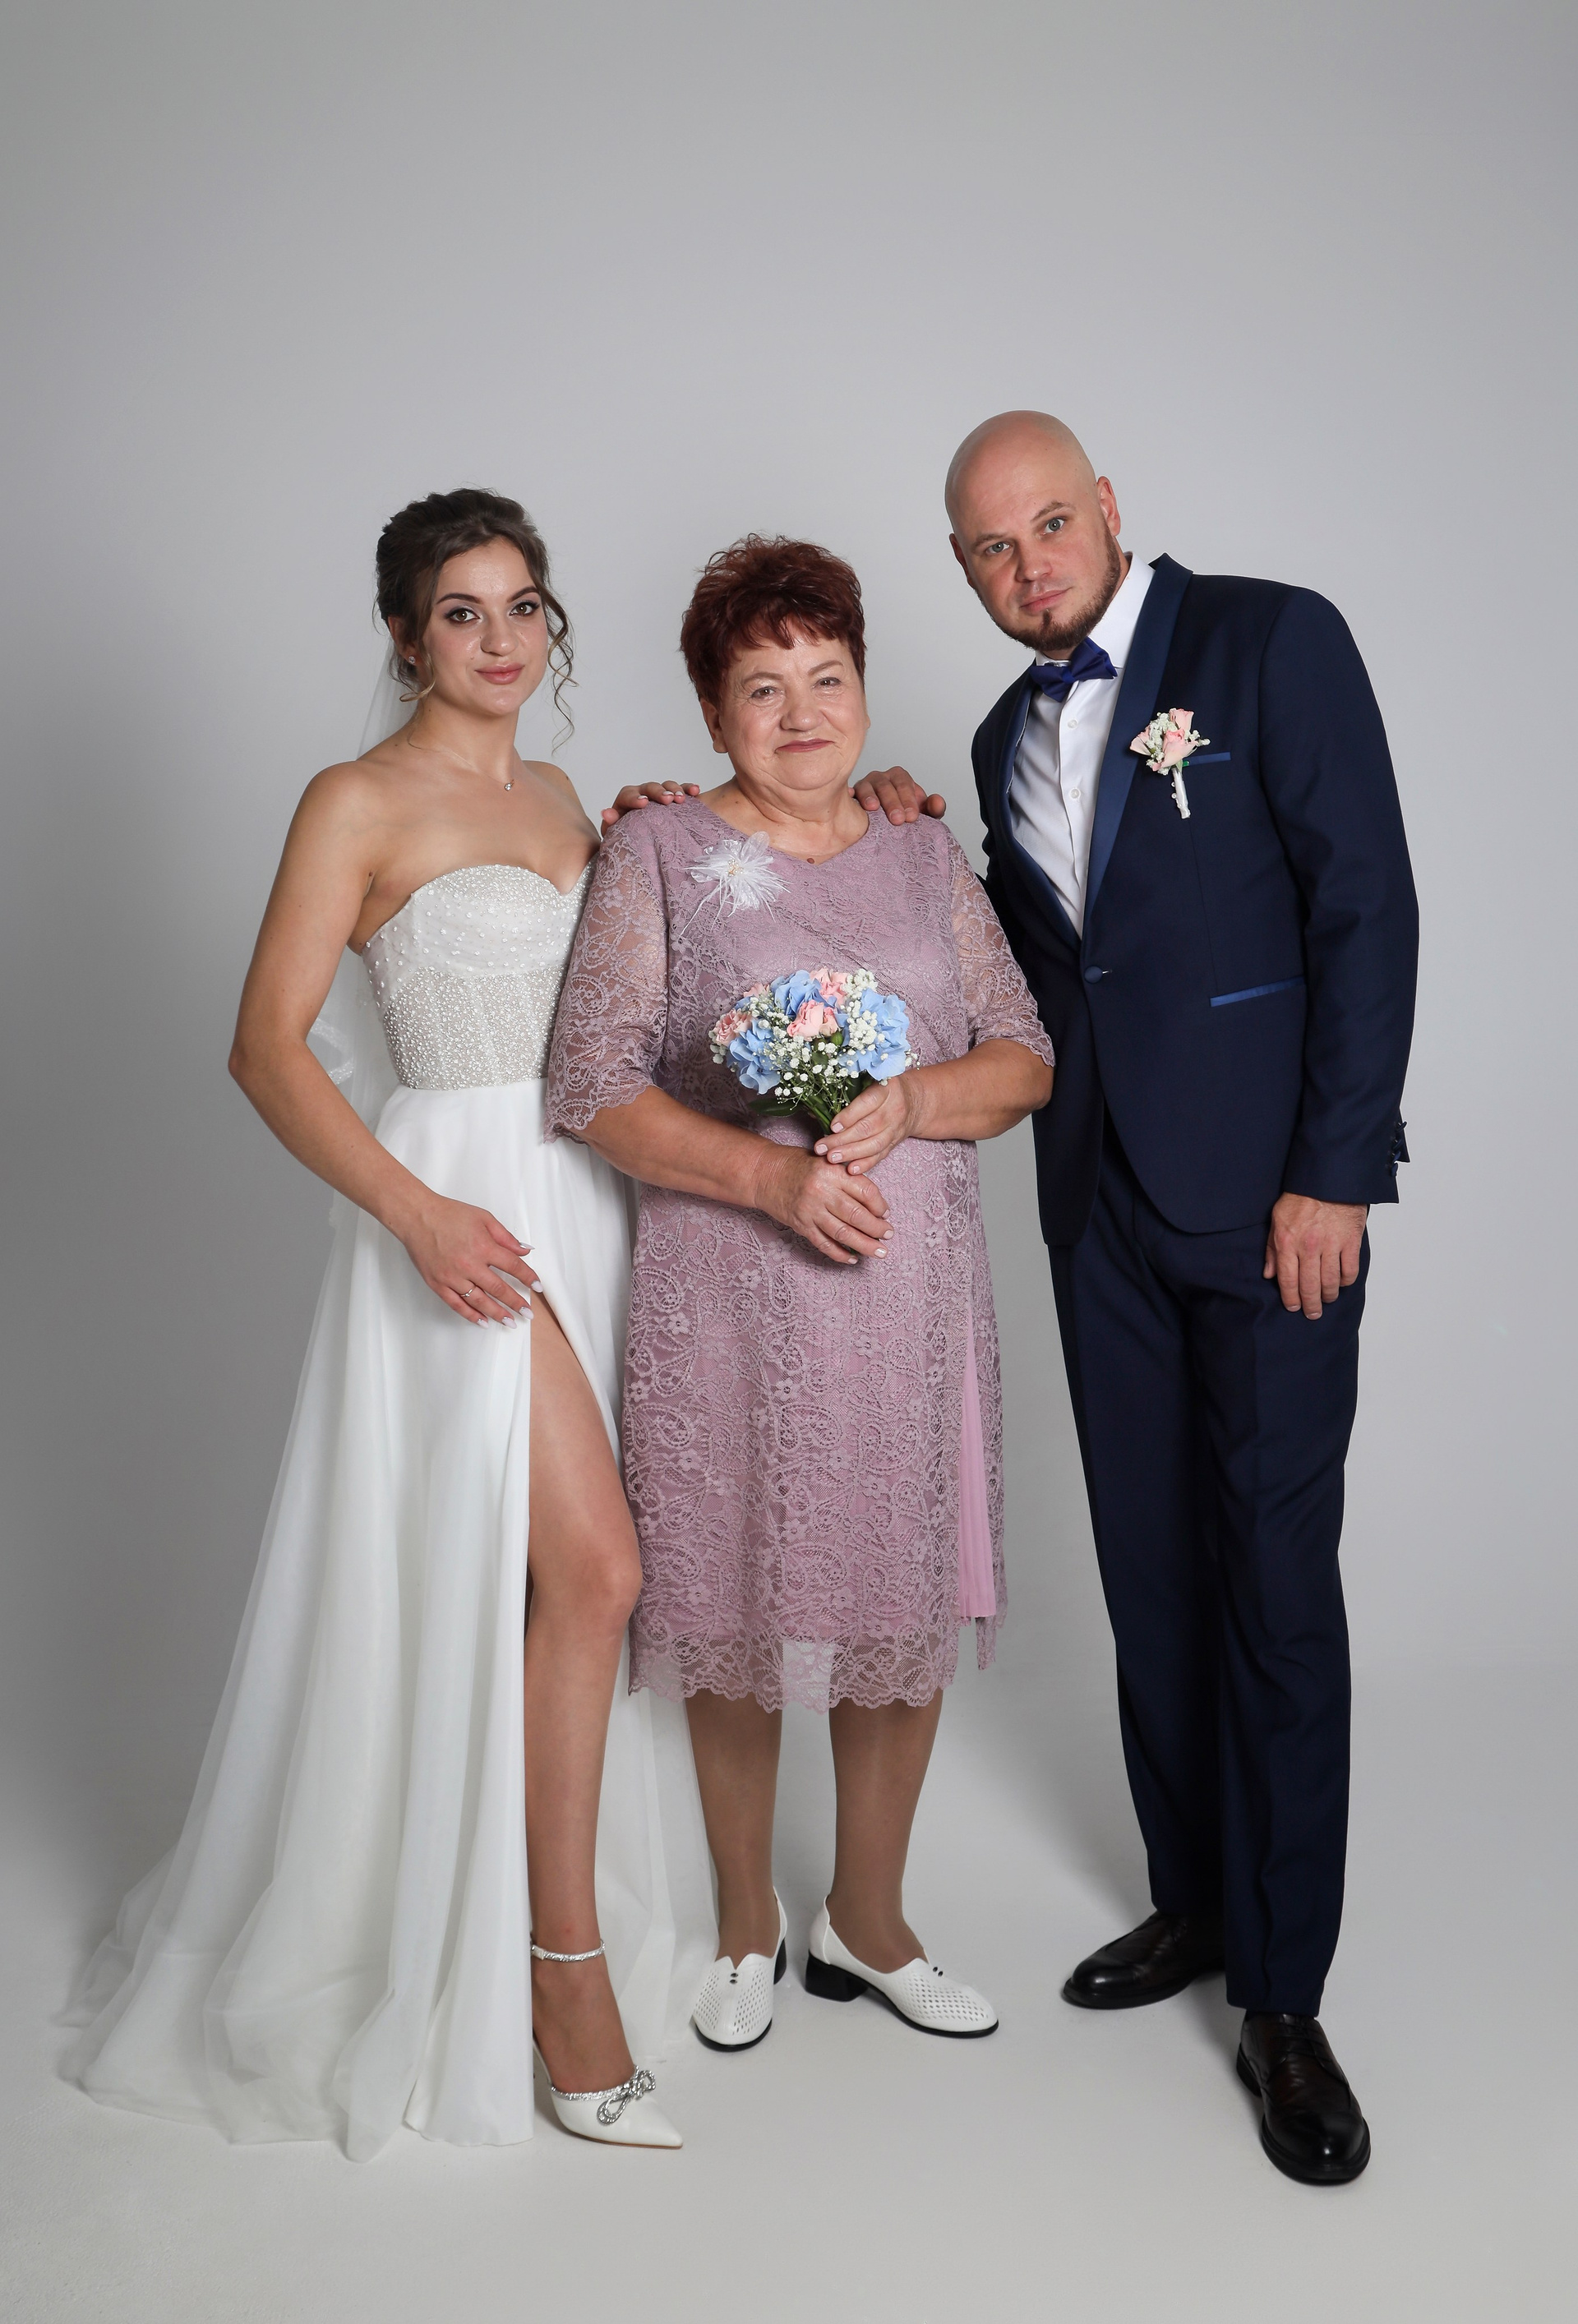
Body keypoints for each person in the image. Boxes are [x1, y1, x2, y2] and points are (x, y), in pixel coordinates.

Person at [65, 488, 717, 2155]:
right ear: (405, 635)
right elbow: (265, 1044)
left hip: (590, 1196)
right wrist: (417, 1214)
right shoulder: (352, 800)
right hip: (460, 1205)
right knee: (600, 1571)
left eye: (523, 607)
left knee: (561, 1584)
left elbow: (620, 1007)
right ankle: (561, 1979)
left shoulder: (566, 795)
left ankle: (519, 1910)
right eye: (462, 612)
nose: (501, 640)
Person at [942, 412, 1418, 2183]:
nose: (1030, 565)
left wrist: (1337, 1172)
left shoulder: (1270, 639)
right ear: (969, 572)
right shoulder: (999, 738)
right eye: (992, 549)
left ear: (1111, 509)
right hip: (1104, 1218)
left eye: (1050, 523)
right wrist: (883, 837)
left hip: (1277, 1208)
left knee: (1275, 1589)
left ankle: (1285, 1998)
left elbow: (1366, 906)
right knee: (1152, 1573)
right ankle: (1199, 1900)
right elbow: (1032, 964)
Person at [545, 535, 1053, 2054]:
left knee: (901, 1592)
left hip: (909, 1294)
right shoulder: (656, 852)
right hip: (728, 1296)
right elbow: (590, 1082)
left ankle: (870, 1920)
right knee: (736, 1598)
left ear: (864, 691)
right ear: (714, 714)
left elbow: (1026, 1057)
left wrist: (912, 1100)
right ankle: (746, 1920)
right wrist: (769, 1181)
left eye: (827, 678)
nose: (802, 712)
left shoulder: (920, 851)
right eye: (762, 688)